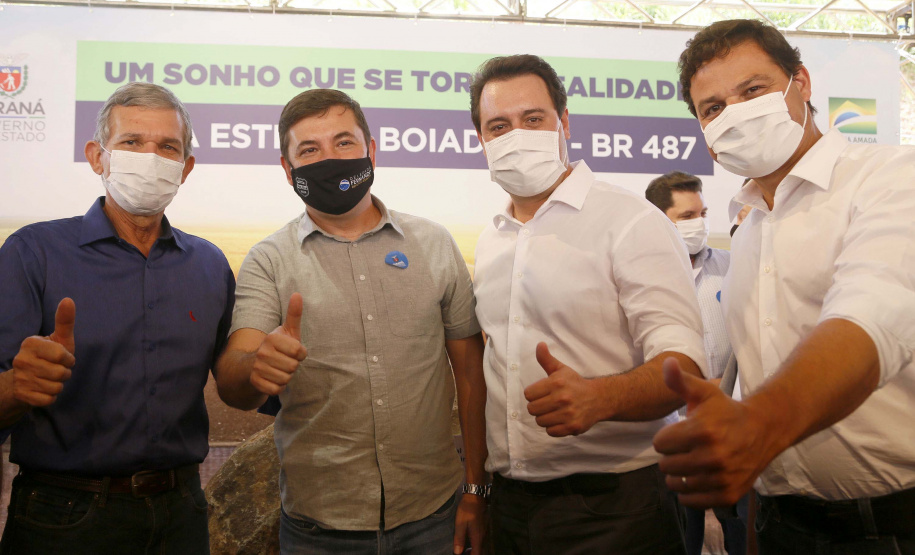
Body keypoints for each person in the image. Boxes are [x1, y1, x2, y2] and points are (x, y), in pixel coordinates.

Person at [653, 18, 915, 554]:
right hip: (779, 524)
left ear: (802, 83)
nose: (737, 113)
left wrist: (759, 426)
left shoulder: (890, 179)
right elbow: (756, 374)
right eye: (713, 108)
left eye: (753, 91)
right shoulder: (747, 231)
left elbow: (873, 313)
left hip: (891, 525)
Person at [214, 89, 488, 555]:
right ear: (288, 169)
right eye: (309, 150)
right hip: (319, 527)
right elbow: (235, 373)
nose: (330, 159)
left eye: (344, 143)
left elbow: (470, 372)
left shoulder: (434, 243)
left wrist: (476, 490)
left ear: (371, 151)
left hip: (433, 516)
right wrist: (255, 367)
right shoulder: (269, 260)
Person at [470, 54, 708, 555]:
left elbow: (684, 366)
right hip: (511, 506)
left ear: (565, 124)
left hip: (615, 507)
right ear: (481, 141)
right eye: (499, 125)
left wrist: (603, 398)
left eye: (533, 119)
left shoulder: (630, 221)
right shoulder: (493, 239)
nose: (516, 135)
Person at [0, 82, 235, 554]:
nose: (151, 157)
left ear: (185, 168)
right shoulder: (33, 253)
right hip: (63, 516)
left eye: (168, 147)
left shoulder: (210, 265)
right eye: (131, 143)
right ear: (96, 156)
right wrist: (16, 389)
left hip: (182, 513)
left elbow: (234, 384)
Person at [646, 171, 747, 555]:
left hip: (728, 433)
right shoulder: (641, 276)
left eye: (702, 212)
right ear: (659, 219)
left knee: (737, 533)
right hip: (665, 440)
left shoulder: (731, 265)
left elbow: (752, 343)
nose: (700, 223)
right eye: (687, 216)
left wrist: (726, 387)